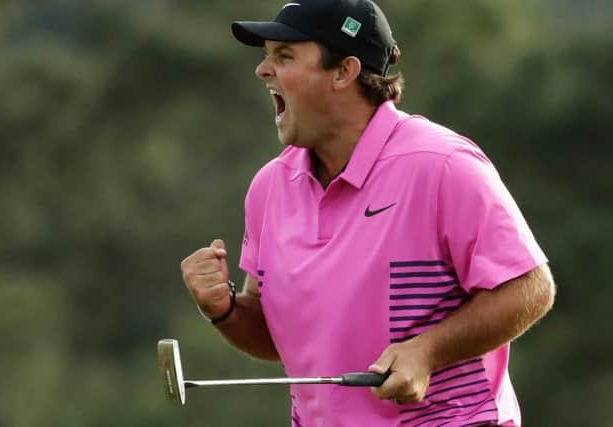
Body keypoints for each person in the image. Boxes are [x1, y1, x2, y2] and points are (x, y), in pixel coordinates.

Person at [180, 0, 556, 425]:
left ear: (344, 71)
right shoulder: (270, 187)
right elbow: (283, 338)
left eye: (283, 56)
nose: (263, 70)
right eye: (267, 56)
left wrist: (427, 350)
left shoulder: (441, 165)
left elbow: (529, 287)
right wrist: (225, 309)